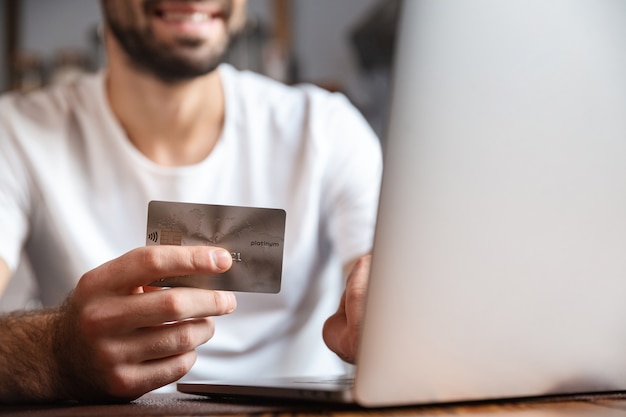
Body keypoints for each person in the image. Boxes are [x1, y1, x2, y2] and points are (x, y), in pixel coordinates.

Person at [0, 0, 382, 403]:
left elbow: (380, 281)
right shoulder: (15, 133)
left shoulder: (327, 130)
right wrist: (58, 353)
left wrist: (385, 313)